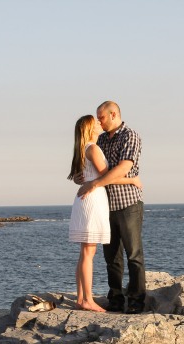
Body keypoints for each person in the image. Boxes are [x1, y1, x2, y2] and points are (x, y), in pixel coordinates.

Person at [68, 115, 142, 312]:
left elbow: (82, 176)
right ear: (90, 128)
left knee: (85, 252)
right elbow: (106, 176)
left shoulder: (84, 148)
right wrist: (132, 180)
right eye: (96, 122)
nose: (100, 123)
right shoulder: (92, 148)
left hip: (87, 198)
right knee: (88, 252)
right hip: (92, 199)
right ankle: (87, 300)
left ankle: (82, 298)